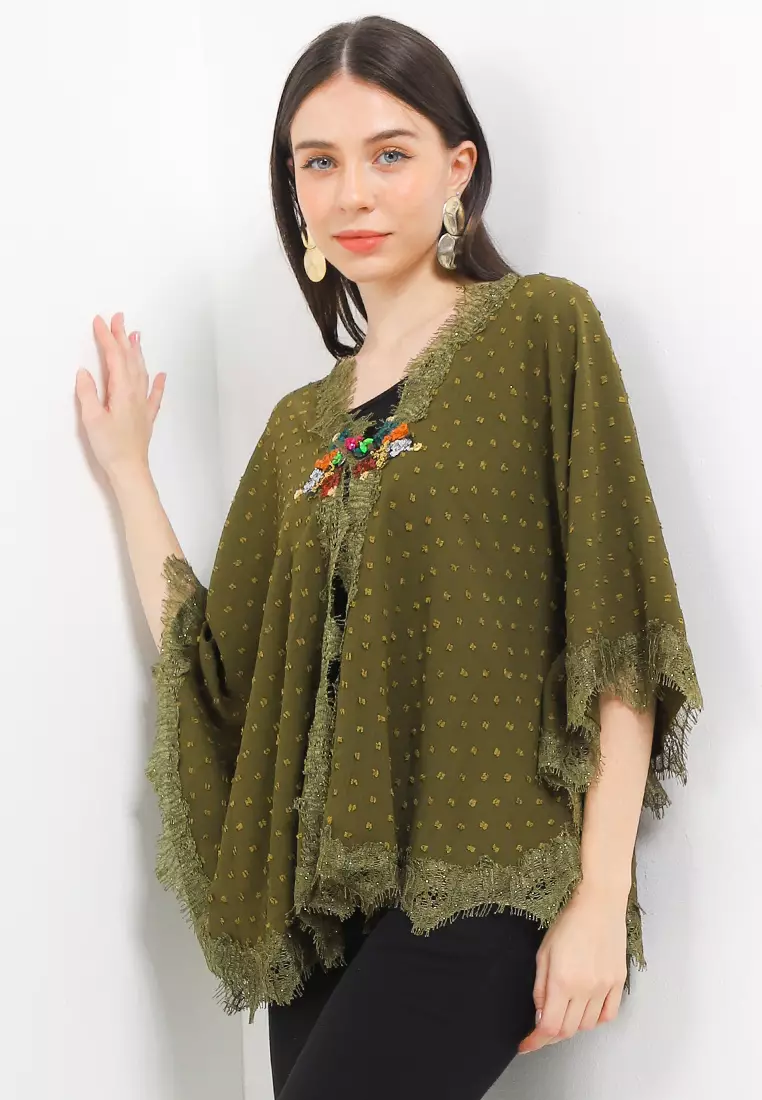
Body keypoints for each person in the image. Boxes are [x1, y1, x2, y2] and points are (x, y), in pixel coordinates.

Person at [75, 14, 703, 1100]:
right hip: (327, 917)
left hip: (489, 880)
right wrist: (131, 472)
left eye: (390, 154)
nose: (352, 193)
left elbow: (619, 625)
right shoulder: (297, 428)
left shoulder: (542, 332)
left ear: (458, 168)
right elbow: (222, 670)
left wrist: (603, 895)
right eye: (319, 162)